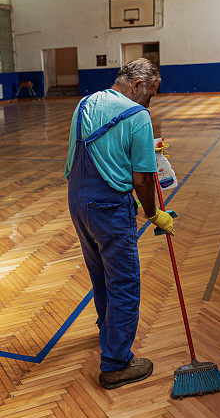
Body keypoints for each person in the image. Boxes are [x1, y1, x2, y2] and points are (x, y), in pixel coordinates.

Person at [65, 58, 175, 389]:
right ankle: (115, 363)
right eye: (151, 93)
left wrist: (144, 146)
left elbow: (85, 153)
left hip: (78, 202)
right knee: (124, 283)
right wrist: (154, 214)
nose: (149, 102)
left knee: (99, 272)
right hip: (111, 207)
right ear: (139, 85)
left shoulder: (85, 103)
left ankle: (107, 329)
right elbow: (142, 179)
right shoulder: (139, 115)